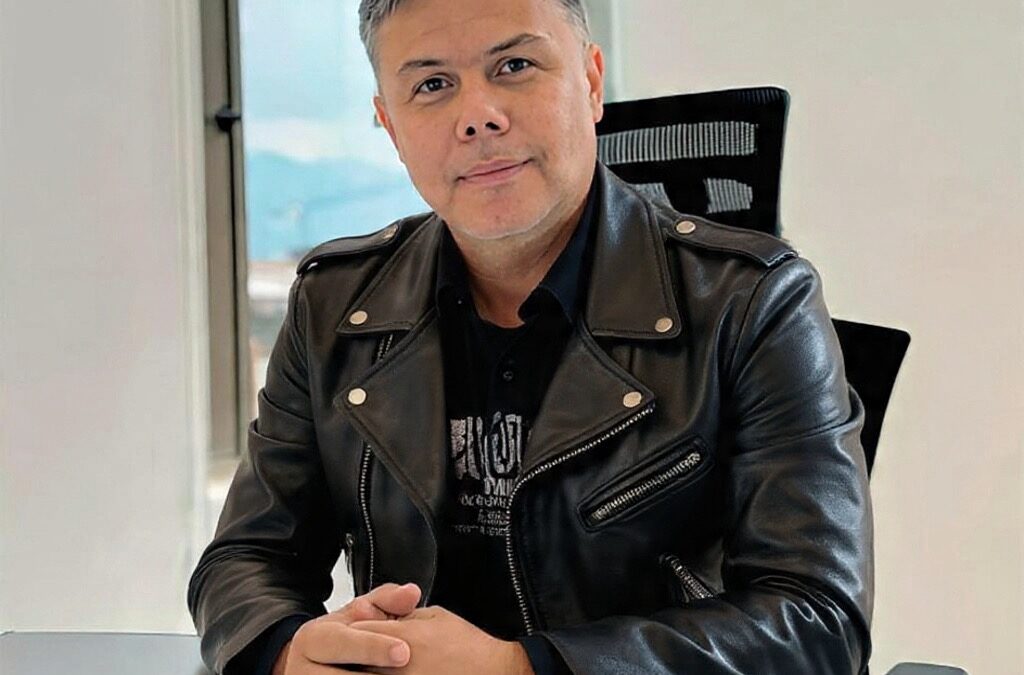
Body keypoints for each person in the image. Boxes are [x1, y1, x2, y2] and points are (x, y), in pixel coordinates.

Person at [187, 0, 874, 673]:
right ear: (391, 126)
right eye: (432, 84)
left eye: (514, 65)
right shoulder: (336, 304)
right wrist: (287, 653)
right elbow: (247, 558)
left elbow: (817, 620)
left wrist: (520, 667)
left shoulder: (752, 301)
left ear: (592, 82)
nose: (478, 115)